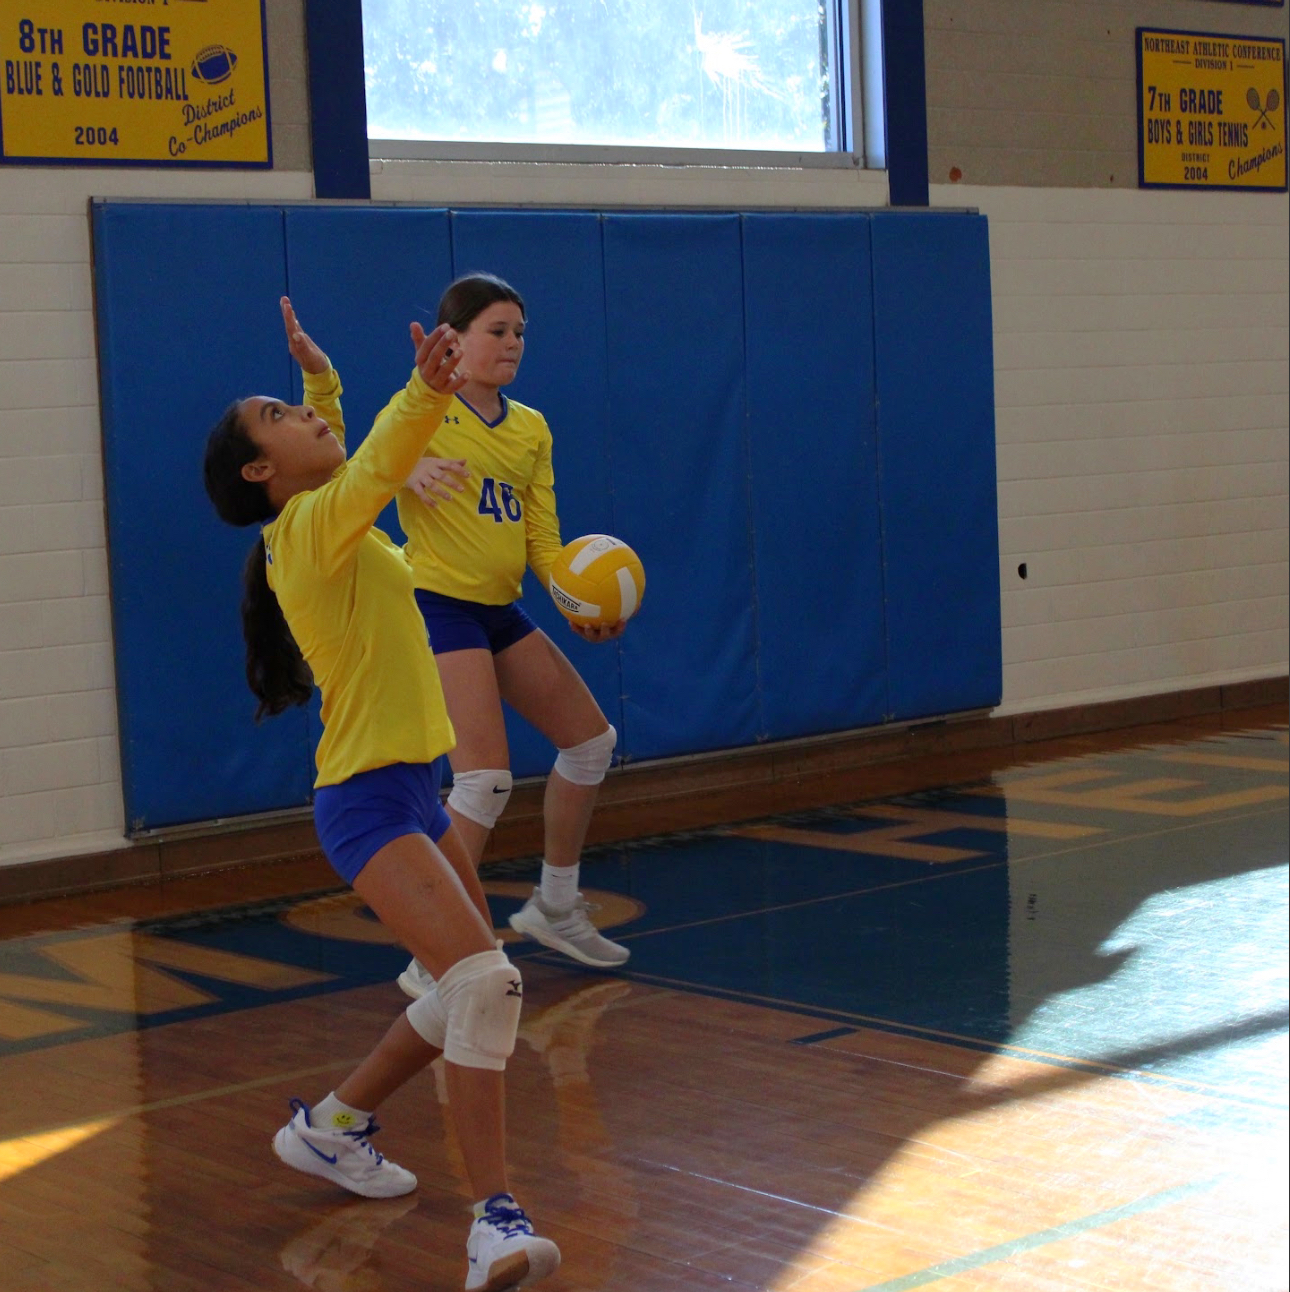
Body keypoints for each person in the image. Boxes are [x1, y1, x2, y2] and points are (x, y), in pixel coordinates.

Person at [202, 296, 559, 1292]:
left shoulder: (321, 517)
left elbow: (345, 459)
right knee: (487, 983)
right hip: (364, 802)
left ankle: (334, 1125)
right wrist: (424, 391)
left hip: (409, 790)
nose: (305, 416)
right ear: (259, 473)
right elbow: (364, 470)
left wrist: (322, 387)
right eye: (279, 416)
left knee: (462, 987)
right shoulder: (306, 533)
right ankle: (494, 1220)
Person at [395, 272, 631, 1002]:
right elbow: (348, 463)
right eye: (497, 331)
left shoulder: (530, 427)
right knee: (485, 778)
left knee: (590, 742)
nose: (513, 345)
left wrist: (576, 599)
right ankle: (429, 952)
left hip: (499, 609)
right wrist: (410, 463)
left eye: (520, 333)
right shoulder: (420, 409)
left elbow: (542, 537)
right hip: (437, 605)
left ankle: (555, 904)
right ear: (454, 339)